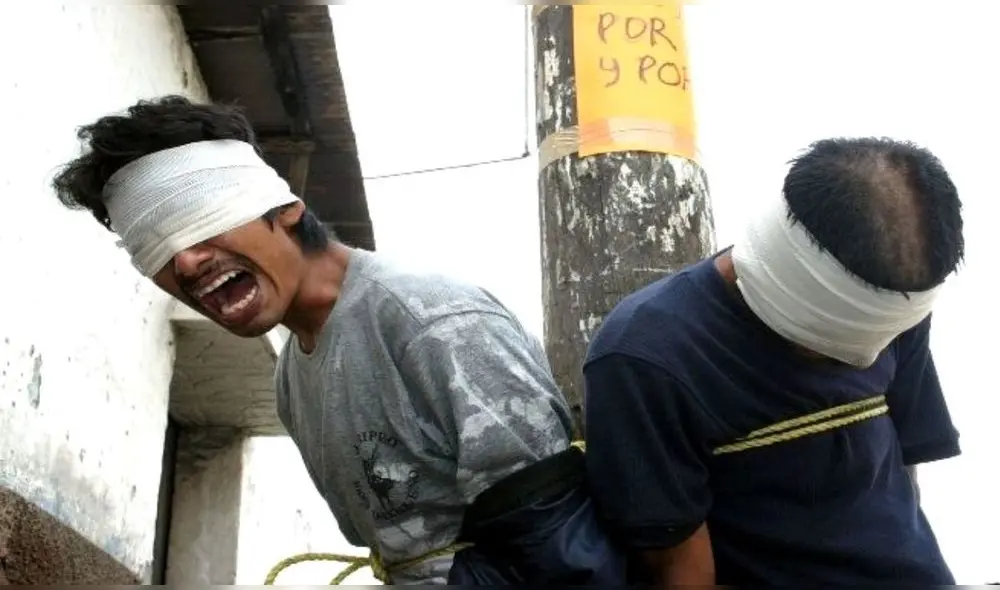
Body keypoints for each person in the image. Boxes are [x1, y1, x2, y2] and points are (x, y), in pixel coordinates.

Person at [51, 96, 627, 585]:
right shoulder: (292, 378)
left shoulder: (433, 323)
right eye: (151, 246)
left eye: (197, 220)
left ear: (286, 209)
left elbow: (558, 553)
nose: (184, 259)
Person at [583, 137, 964, 586]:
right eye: (835, 342)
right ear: (794, 287)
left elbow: (903, 469)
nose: (863, 358)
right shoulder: (646, 359)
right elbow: (678, 569)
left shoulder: (895, 289)